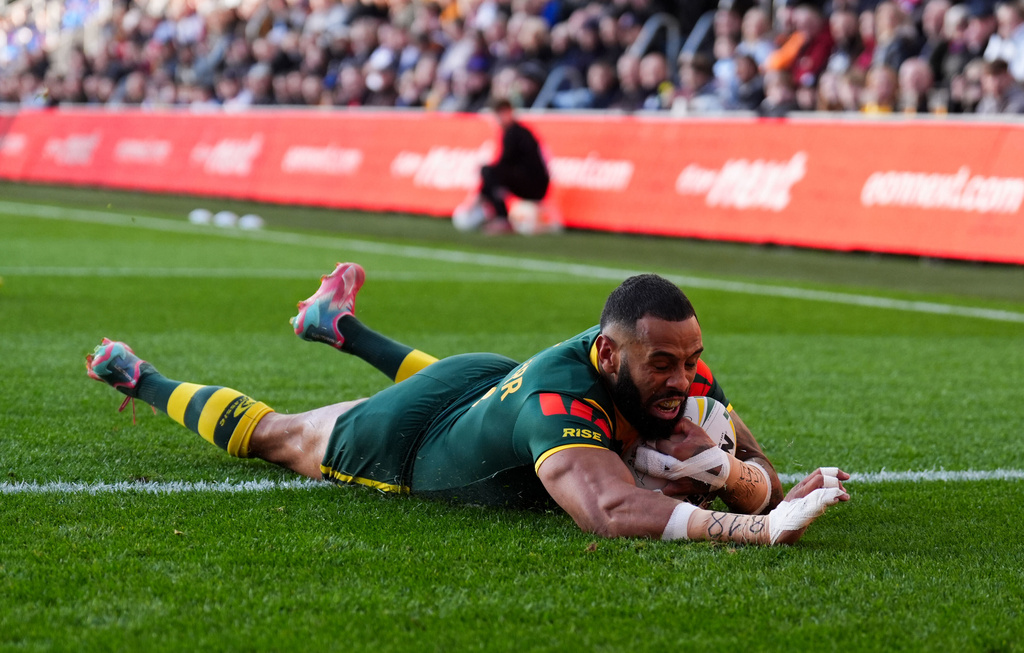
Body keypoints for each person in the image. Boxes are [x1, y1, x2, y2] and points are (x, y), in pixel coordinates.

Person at [86, 263, 848, 545]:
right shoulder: (563, 399)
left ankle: (336, 325)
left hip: (490, 379)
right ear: (611, 355)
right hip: (409, 445)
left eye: (690, 360)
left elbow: (752, 459)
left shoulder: (669, 360)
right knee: (285, 436)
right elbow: (609, 510)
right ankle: (135, 375)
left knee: (481, 387)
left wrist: (772, 485)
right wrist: (754, 528)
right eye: (665, 365)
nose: (684, 380)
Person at [473, 98, 550, 234]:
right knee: (490, 173)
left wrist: (482, 192)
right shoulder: (518, 131)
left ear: (506, 113)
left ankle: (502, 218)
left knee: (489, 172)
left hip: (533, 185)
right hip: (534, 182)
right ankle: (493, 213)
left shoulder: (514, 133)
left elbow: (504, 164)